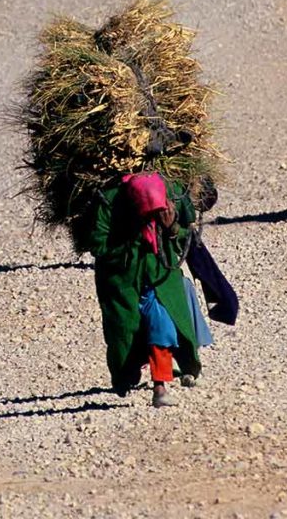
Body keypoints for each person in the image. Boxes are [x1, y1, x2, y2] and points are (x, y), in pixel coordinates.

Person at [87, 170, 206, 407]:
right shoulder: (108, 201)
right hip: (122, 284)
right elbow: (97, 244)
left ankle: (160, 386)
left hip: (160, 277)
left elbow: (187, 232)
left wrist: (171, 227)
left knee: (162, 326)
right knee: (125, 333)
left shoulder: (172, 193)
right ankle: (126, 378)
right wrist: (132, 243)